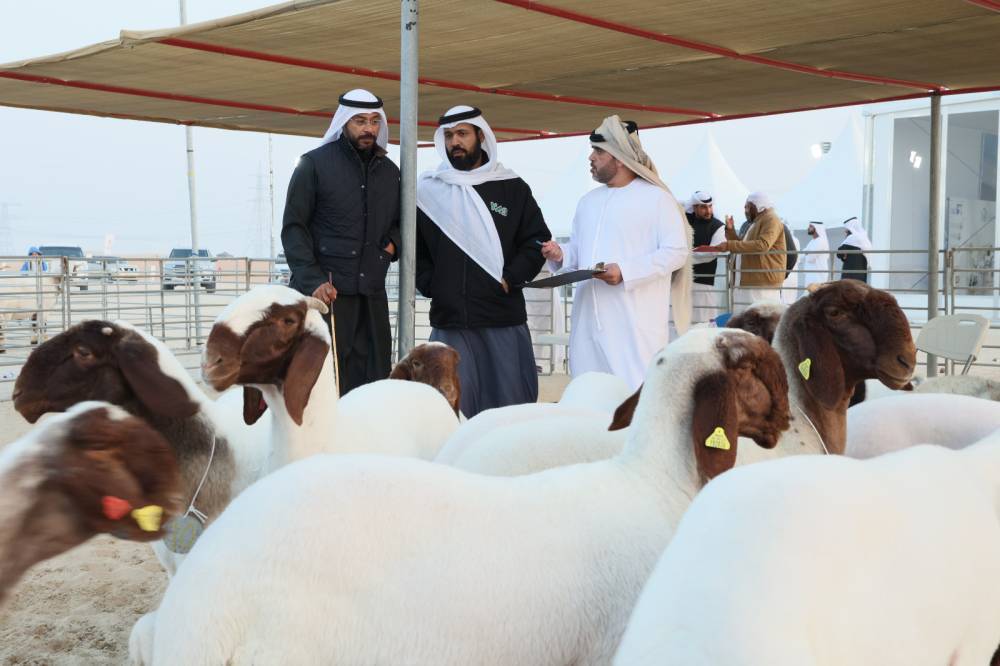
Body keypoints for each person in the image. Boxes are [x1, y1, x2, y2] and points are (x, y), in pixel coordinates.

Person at [415, 105, 550, 418]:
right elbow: (416, 248)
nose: (454, 143)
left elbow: (535, 241)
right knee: (449, 410)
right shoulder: (429, 190)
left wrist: (511, 277)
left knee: (510, 408)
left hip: (501, 316)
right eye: (448, 136)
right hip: (450, 320)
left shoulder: (511, 187)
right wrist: (432, 284)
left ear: (481, 136)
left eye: (462, 133)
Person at [541, 116, 691, 390]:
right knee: (588, 397)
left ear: (619, 158)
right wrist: (560, 253)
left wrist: (626, 271)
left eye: (598, 151)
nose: (591, 157)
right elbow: (579, 251)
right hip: (587, 324)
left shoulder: (657, 199)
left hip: (633, 325)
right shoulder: (588, 202)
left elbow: (676, 251)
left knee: (633, 401)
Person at [281, 89, 400, 395]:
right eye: (360, 120)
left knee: (375, 378)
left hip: (371, 293)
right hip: (328, 295)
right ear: (344, 122)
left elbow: (403, 221)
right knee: (326, 380)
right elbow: (294, 228)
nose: (368, 128)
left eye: (374, 121)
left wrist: (392, 247)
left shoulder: (390, 173)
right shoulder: (313, 165)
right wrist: (312, 280)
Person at [713, 192, 786, 311]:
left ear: (757, 206)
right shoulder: (757, 222)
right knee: (744, 322)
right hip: (749, 283)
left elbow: (763, 245)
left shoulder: (771, 219)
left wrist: (729, 245)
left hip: (760, 286)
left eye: (747, 207)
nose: (745, 210)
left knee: (758, 323)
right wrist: (731, 231)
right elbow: (742, 247)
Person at [687, 190, 726, 323]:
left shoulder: (718, 227)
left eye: (710, 206)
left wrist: (684, 258)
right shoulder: (685, 221)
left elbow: (711, 253)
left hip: (704, 285)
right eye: (703, 207)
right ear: (694, 207)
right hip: (682, 282)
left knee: (704, 324)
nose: (708, 210)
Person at [838, 216, 871, 283]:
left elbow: (839, 253)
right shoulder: (864, 238)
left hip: (850, 272)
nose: (845, 231)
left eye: (847, 229)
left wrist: (844, 256)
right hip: (861, 271)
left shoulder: (852, 238)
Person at [801, 221, 830, 291]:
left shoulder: (821, 241)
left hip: (818, 274)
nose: (808, 228)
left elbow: (811, 258)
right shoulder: (812, 241)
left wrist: (806, 254)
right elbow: (802, 254)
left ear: (816, 228)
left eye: (811, 226)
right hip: (811, 274)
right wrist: (806, 253)